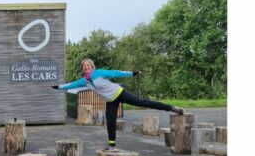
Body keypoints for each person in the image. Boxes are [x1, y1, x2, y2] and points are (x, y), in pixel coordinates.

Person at [53, 58, 184, 150]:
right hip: (110, 100)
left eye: (88, 65)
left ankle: (172, 108)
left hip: (120, 93)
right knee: (110, 121)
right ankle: (112, 145)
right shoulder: (84, 81)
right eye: (84, 66)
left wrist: (132, 74)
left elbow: (116, 72)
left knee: (143, 102)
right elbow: (71, 85)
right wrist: (58, 87)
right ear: (83, 68)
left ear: (92, 67)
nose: (86, 67)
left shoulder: (99, 73)